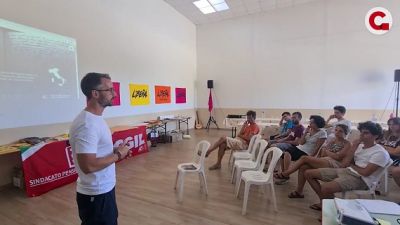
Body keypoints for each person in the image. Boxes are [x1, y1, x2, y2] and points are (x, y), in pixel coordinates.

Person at [69, 72, 130, 225]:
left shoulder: (96, 119)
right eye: (109, 90)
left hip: (103, 190)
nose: (114, 94)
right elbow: (88, 165)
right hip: (95, 195)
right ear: (95, 93)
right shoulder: (87, 125)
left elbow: (96, 153)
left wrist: (115, 150)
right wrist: (118, 155)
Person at [305, 121, 390, 211]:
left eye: (366, 133)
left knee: (326, 188)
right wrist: (354, 148)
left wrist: (351, 165)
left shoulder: (380, 153)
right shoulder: (359, 146)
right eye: (361, 132)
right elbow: (344, 164)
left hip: (362, 179)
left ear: (376, 136)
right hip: (348, 171)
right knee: (308, 173)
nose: (361, 135)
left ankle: (330, 209)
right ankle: (327, 204)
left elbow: (365, 173)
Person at [276, 124, 352, 198]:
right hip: (325, 160)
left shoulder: (347, 144)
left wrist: (328, 152)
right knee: (303, 167)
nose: (337, 132)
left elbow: (338, 157)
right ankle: (299, 191)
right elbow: (323, 153)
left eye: (340, 131)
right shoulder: (333, 141)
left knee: (304, 158)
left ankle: (286, 173)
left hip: (335, 163)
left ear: (346, 133)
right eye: (336, 130)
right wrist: (329, 153)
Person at [274, 115, 327, 184]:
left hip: (308, 152)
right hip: (300, 148)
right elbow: (301, 143)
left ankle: (285, 175)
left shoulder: (322, 133)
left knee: (287, 153)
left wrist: (311, 157)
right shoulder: (308, 130)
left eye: (312, 122)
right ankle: (285, 174)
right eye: (310, 122)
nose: (310, 124)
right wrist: (305, 133)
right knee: (283, 155)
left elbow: (317, 147)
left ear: (317, 123)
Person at [378, 117, 400, 189]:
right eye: (390, 124)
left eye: (394, 124)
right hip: (384, 156)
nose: (391, 126)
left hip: (395, 159)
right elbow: (376, 144)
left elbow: (395, 152)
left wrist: (383, 147)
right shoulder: (387, 135)